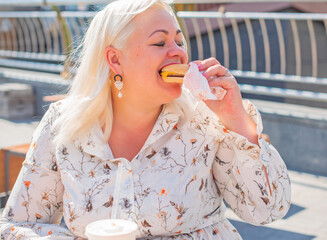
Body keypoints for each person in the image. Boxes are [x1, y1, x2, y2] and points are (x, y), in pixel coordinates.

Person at [0, 0, 291, 239]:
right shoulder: (63, 125)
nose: (178, 52)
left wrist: (237, 120)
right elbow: (17, 226)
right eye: (159, 43)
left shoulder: (206, 120)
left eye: (179, 40)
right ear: (115, 60)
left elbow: (269, 209)